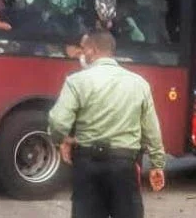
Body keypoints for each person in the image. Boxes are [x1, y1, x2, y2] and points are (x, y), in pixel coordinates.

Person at [48, 30, 166, 218]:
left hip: (86, 165)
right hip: (124, 165)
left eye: (84, 49)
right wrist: (157, 164)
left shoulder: (76, 81)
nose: (82, 54)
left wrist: (61, 140)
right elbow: (152, 130)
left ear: (93, 50)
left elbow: (58, 122)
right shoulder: (139, 84)